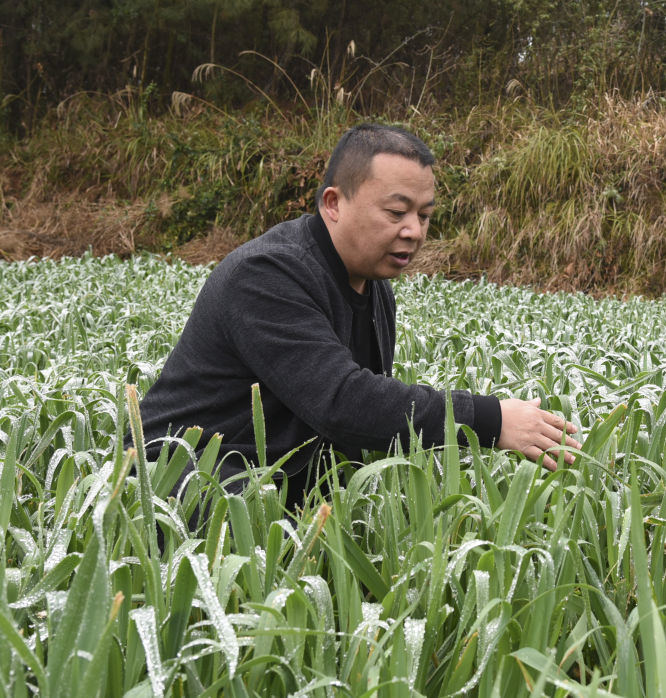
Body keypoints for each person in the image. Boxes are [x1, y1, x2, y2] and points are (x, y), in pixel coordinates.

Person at [134, 123, 580, 513]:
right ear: (333, 203)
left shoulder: (371, 283)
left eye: (424, 216)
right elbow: (342, 402)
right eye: (396, 212)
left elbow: (355, 430)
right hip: (181, 485)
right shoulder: (266, 274)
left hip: (269, 487)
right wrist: (490, 420)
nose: (414, 231)